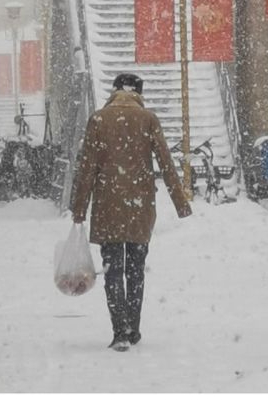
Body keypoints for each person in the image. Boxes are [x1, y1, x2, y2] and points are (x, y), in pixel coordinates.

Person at [71, 73, 192, 352]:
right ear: (139, 93)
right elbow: (165, 161)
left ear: (114, 91)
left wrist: (79, 208)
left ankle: (119, 331)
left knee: (113, 270)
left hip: (108, 205)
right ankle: (133, 328)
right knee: (136, 270)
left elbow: (86, 167)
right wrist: (180, 202)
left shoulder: (99, 119)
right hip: (140, 206)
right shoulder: (148, 119)